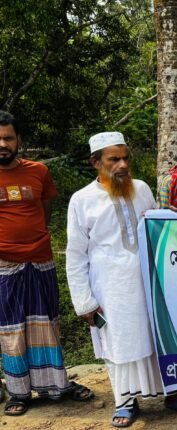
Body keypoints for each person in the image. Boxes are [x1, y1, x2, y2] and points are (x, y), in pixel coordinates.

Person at [66, 132, 177, 427]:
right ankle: (126, 401)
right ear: (95, 162)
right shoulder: (82, 200)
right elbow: (75, 254)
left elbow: (149, 225)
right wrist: (84, 302)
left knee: (157, 337)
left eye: (126, 158)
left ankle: (172, 394)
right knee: (119, 343)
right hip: (110, 287)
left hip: (148, 280)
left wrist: (166, 217)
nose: (123, 165)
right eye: (114, 159)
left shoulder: (140, 188)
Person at [0, 111, 94, 416]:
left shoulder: (38, 171)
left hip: (40, 260)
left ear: (19, 140)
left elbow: (45, 208)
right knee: (11, 329)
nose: (2, 144)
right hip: (4, 266)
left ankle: (56, 385)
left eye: (8, 138)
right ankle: (18, 392)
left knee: (46, 325)